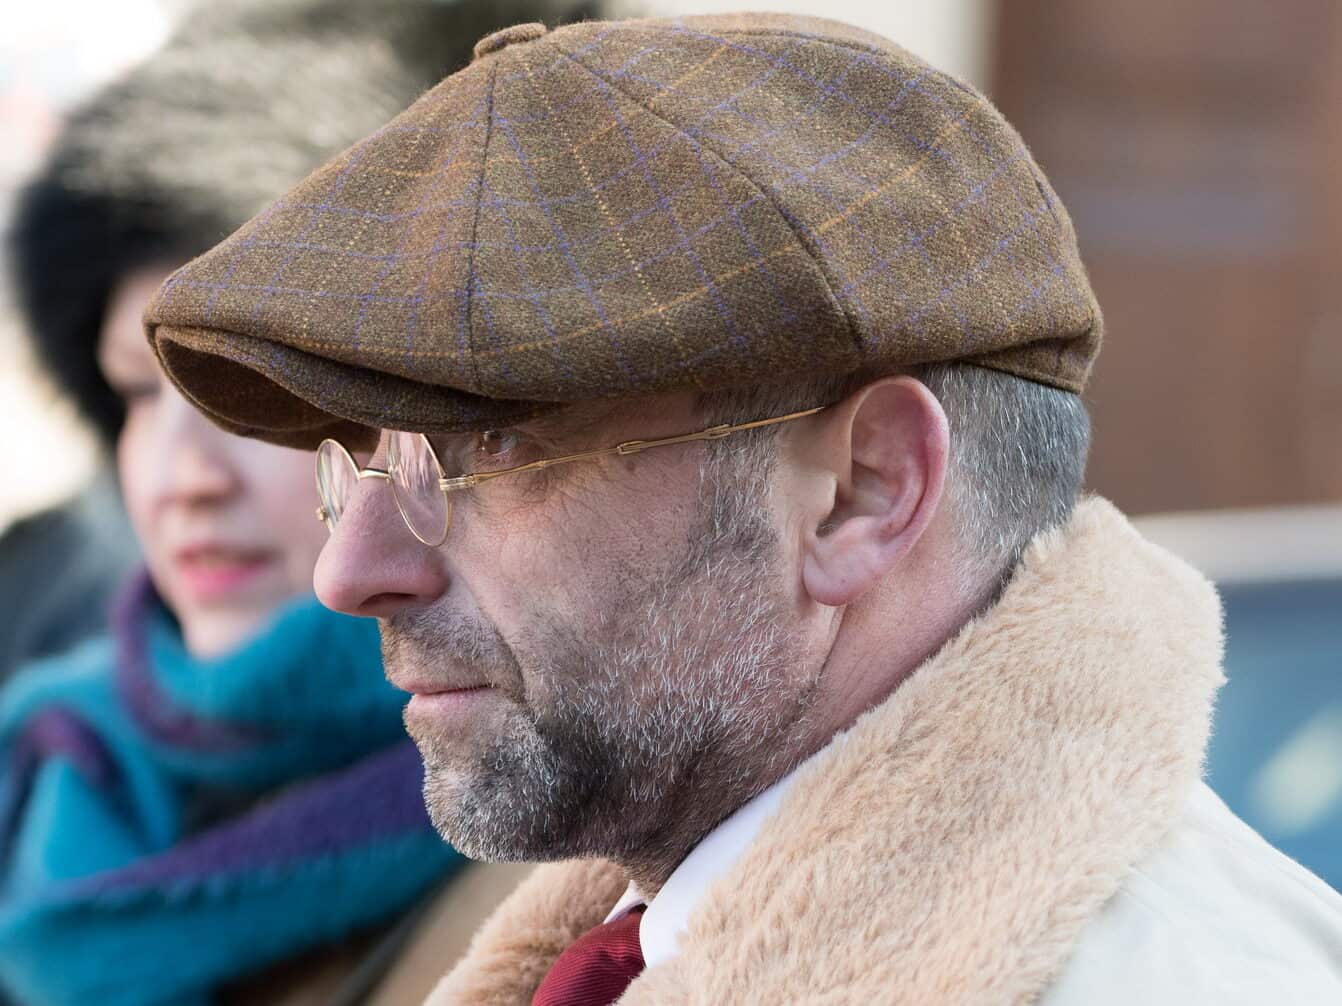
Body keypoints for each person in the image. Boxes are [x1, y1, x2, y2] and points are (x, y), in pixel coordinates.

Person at [142, 12, 1342, 1005]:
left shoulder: (1180, 979)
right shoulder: (642, 938)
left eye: (491, 446)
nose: (349, 571)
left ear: (863, 492)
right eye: (363, 459)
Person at [0, 1, 599, 1003]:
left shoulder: (587, 829)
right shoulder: (46, 752)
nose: (184, 475)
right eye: (140, 394)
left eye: (250, 396)